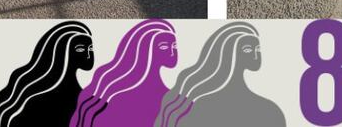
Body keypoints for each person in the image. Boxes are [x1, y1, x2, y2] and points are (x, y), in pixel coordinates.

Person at [156, 22, 285, 127]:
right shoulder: (201, 109)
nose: (256, 56)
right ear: (227, 54)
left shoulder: (270, 111)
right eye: (247, 50)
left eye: (258, 49)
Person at [71, 20, 177, 127]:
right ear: (144, 50)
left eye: (175, 46)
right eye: (163, 47)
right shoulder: (115, 99)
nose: (172, 52)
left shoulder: (178, 101)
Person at [0, 21, 94, 127]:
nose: (89, 55)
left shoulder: (91, 101)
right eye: (80, 49)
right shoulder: (34, 102)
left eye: (91, 48)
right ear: (60, 52)